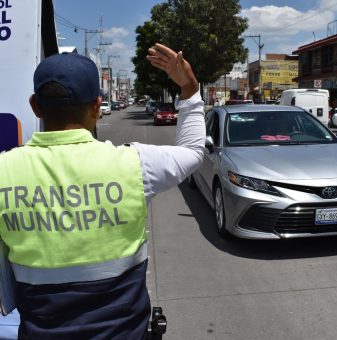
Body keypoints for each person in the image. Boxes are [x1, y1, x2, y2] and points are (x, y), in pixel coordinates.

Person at [0, 43, 205, 339]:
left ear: (35, 105)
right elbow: (194, 151)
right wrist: (189, 87)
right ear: (97, 107)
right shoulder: (134, 164)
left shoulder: (5, 171)